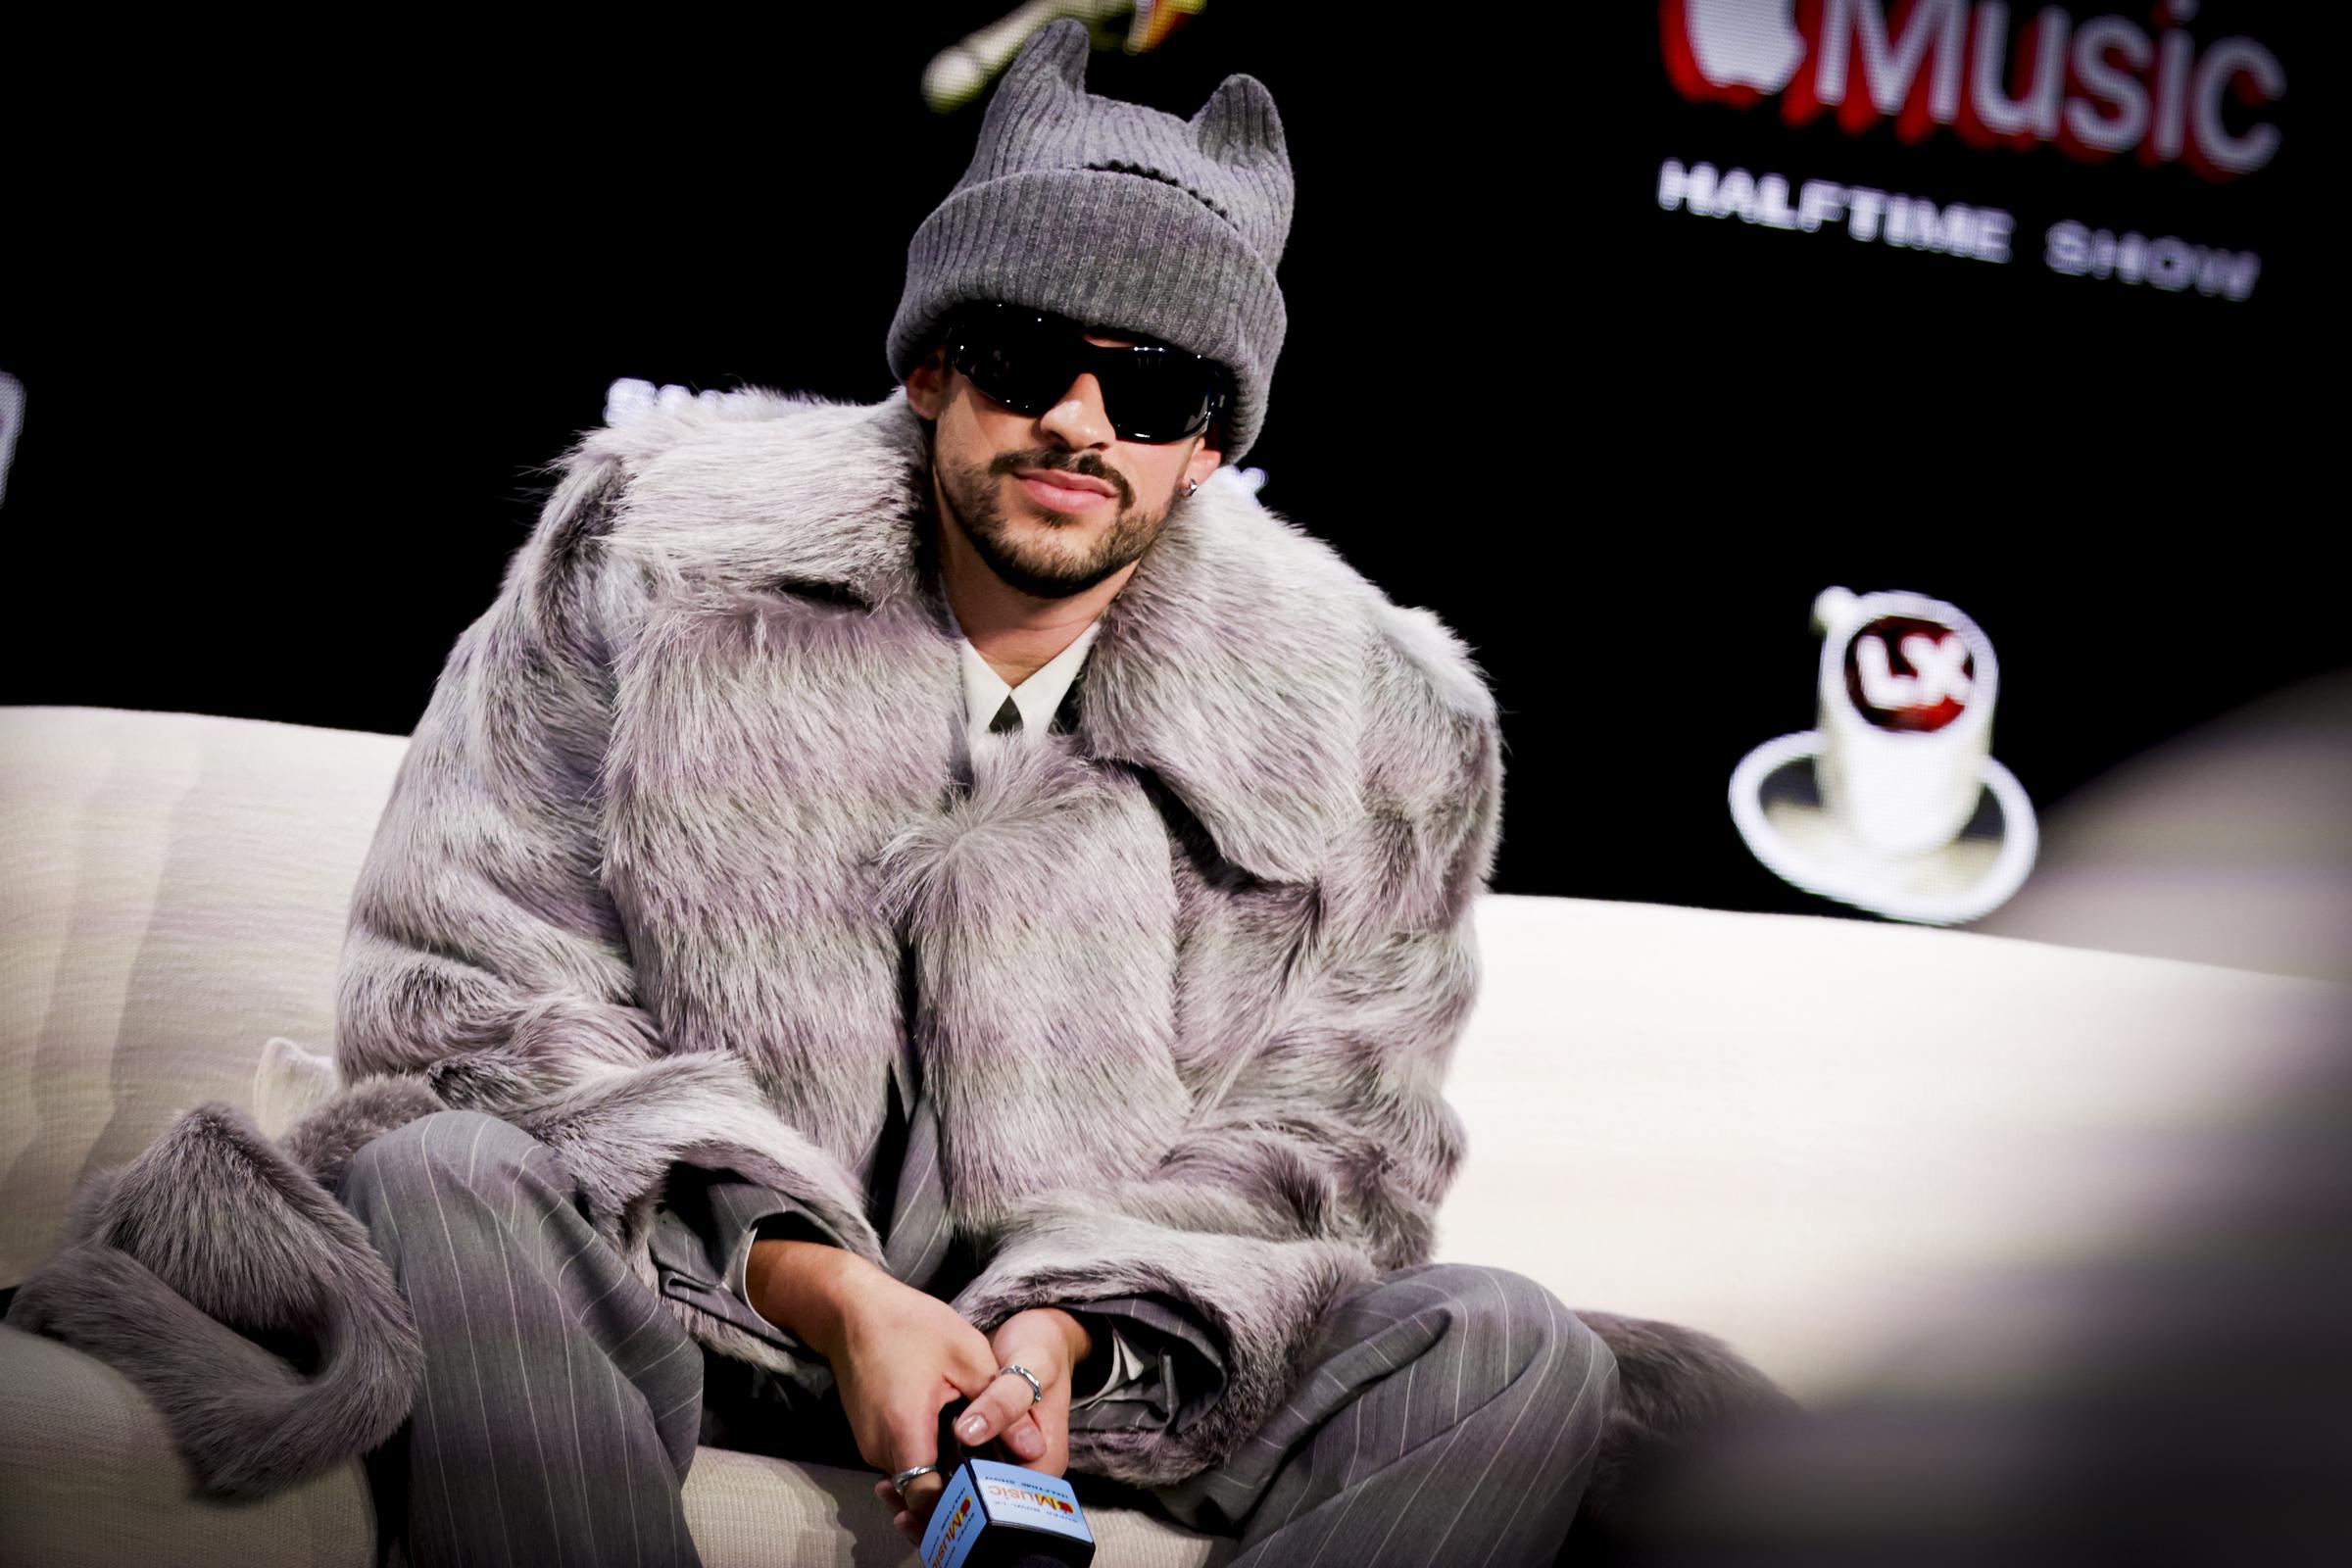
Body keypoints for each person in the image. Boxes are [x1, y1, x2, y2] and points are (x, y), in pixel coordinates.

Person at [6, 19, 1785, 1568]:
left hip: (1113, 1375)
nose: (1079, 419)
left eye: (1151, 386)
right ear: (929, 365)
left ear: (1210, 445)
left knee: (1511, 1346)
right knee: (450, 1169)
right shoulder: (650, 554)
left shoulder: (1380, 723)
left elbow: (1335, 1152)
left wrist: (1071, 1336)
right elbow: (478, 987)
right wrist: (820, 1282)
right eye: (1027, 359)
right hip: (689, 1286)